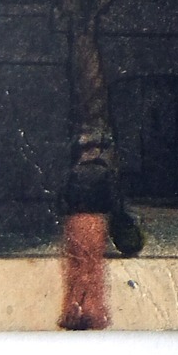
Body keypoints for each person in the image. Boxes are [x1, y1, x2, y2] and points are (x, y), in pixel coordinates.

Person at [58, 133, 117, 330]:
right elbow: (112, 200)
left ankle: (72, 313)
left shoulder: (73, 172)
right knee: (93, 266)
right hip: (95, 221)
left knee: (75, 266)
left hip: (74, 221)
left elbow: (63, 199)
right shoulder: (104, 173)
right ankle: (93, 312)